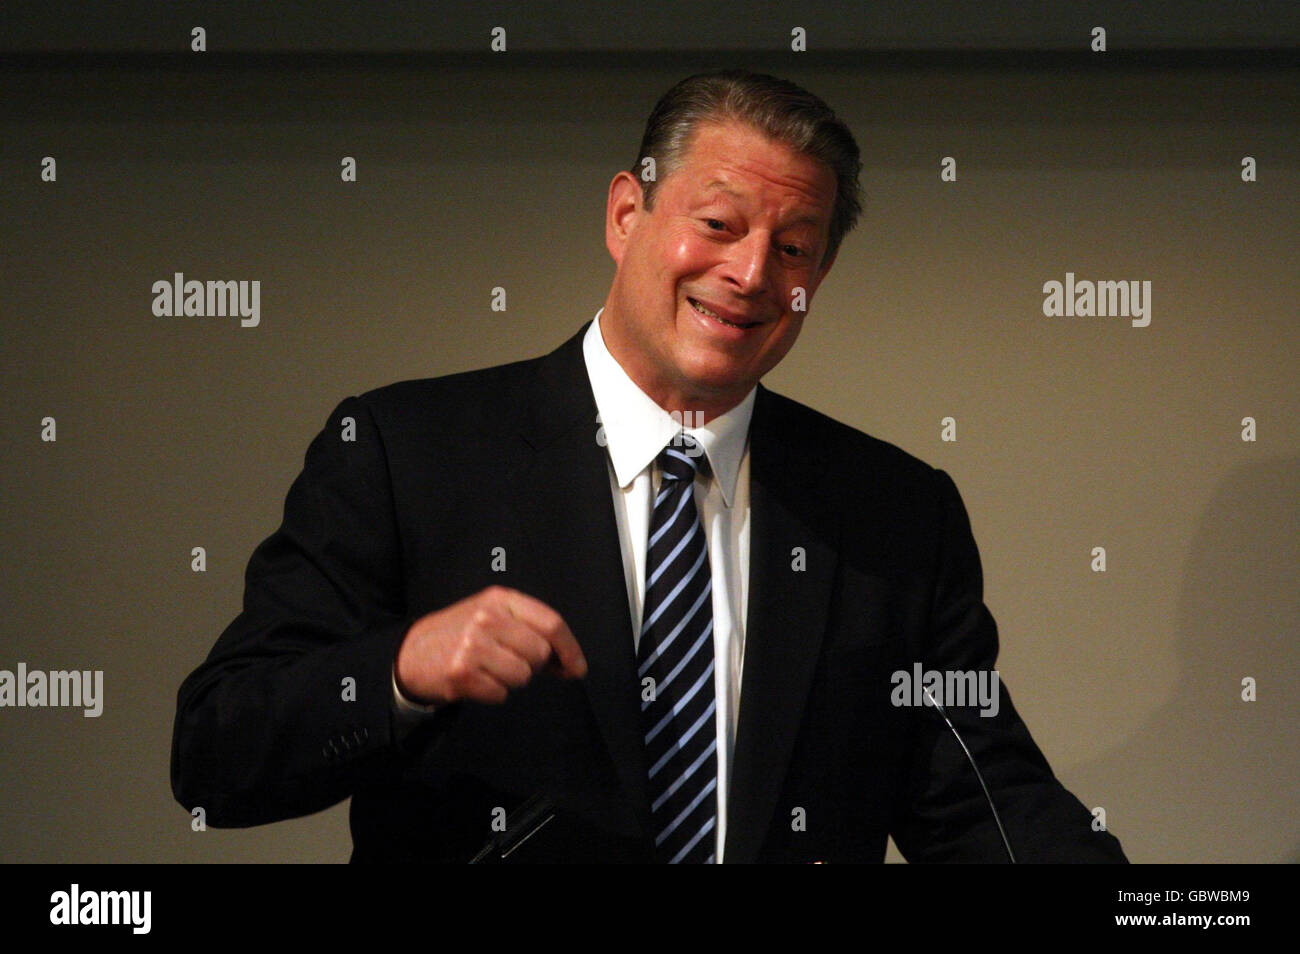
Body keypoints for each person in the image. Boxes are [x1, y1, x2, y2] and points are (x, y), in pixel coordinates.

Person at [171, 69, 1127, 863]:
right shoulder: (404, 452)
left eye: (792, 247)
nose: (752, 273)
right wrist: (400, 671)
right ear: (627, 213)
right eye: (718, 225)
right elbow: (216, 751)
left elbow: (983, 800)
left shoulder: (893, 515)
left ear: (817, 277)